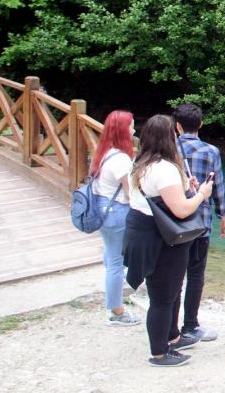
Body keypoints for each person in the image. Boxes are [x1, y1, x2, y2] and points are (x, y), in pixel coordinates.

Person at [123, 114, 214, 367]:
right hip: (162, 239)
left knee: (169, 291)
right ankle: (160, 353)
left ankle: (172, 337)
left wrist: (187, 188)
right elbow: (182, 210)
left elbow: (154, 197)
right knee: (163, 298)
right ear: (171, 136)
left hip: (143, 232)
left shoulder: (138, 163)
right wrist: (202, 194)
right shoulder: (164, 169)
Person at [173, 103, 225, 343]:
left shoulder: (168, 149)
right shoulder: (211, 151)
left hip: (172, 223)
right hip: (200, 223)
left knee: (174, 275)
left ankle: (170, 329)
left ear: (176, 126)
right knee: (196, 275)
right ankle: (190, 326)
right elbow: (217, 187)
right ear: (201, 124)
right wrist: (224, 217)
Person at [90, 110, 140, 326]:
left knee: (112, 258)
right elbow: (131, 194)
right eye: (131, 126)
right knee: (116, 263)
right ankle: (116, 312)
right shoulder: (120, 159)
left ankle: (115, 304)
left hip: (102, 209)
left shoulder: (104, 153)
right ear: (122, 130)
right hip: (116, 212)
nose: (134, 130)